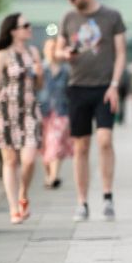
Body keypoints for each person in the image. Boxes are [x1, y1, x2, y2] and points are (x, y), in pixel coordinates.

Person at [55, 0, 126, 222]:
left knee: (105, 140)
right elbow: (57, 50)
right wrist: (65, 54)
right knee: (81, 146)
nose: (71, 2)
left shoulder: (112, 16)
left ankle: (107, 196)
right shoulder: (68, 18)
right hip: (77, 87)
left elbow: (120, 54)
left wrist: (115, 85)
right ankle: (82, 202)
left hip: (105, 87)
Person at [0, 13, 43, 224]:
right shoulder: (3, 55)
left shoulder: (33, 52)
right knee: (10, 160)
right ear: (13, 31)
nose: (29, 28)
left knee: (28, 160)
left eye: (29, 24)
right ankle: (14, 207)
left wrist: (39, 72)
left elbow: (39, 85)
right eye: (25, 25)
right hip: (7, 111)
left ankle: (23, 194)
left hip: (30, 109)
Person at [37, 38, 73, 189]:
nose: (52, 51)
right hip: (43, 111)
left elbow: (70, 92)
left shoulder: (66, 70)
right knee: (45, 147)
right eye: (49, 48)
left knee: (56, 142)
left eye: (54, 48)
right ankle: (49, 174)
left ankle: (54, 176)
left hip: (61, 111)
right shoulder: (40, 69)